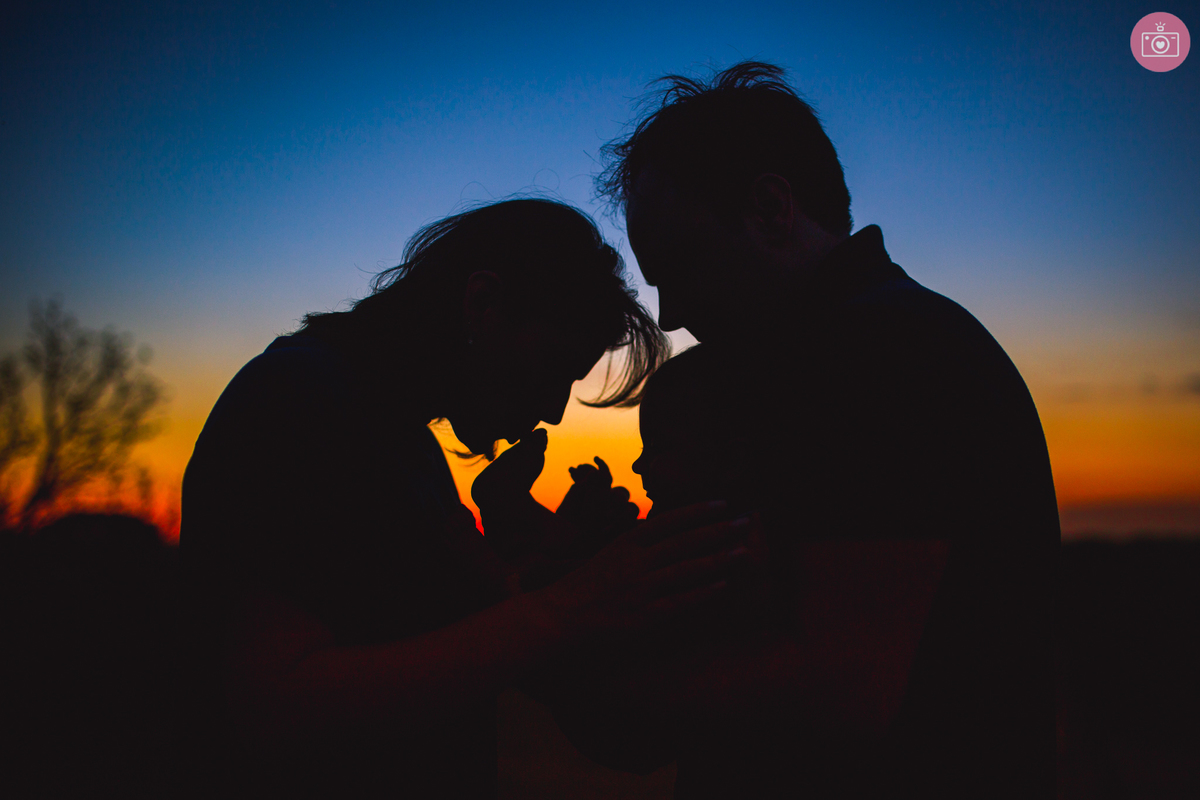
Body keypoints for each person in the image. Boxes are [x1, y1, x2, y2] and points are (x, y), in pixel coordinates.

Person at [550, 62, 1060, 798]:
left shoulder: (876, 354)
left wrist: (559, 653)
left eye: (680, 266)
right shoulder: (871, 343)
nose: (669, 315)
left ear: (770, 207)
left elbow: (837, 681)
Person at [178, 198, 756, 798]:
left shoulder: (400, 439)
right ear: (484, 305)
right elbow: (278, 704)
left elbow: (447, 642)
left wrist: (538, 555)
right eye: (556, 367)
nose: (554, 412)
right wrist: (568, 605)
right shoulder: (302, 402)